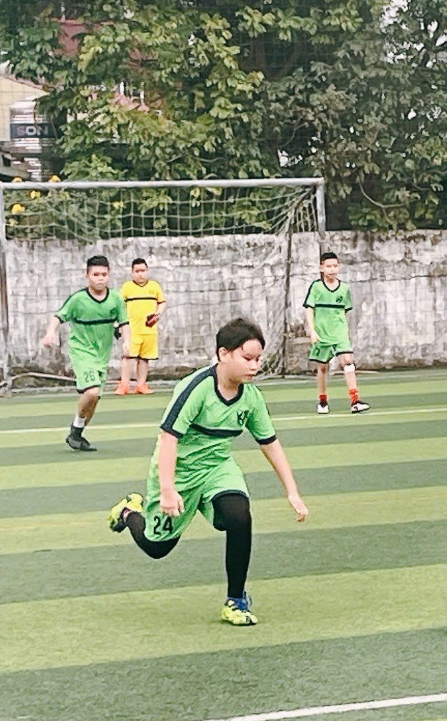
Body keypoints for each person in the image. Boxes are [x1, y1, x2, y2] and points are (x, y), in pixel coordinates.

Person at [108, 317, 308, 626]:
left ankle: (236, 600)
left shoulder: (251, 398)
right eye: (248, 358)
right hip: (180, 472)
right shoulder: (196, 389)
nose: (255, 366)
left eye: (258, 359)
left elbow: (270, 443)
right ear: (223, 354)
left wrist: (292, 490)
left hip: (217, 467)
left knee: (239, 516)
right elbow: (168, 438)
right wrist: (167, 489)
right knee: (156, 547)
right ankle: (127, 512)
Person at [42, 254, 129, 451]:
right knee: (92, 392)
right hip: (82, 352)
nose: (100, 278)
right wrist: (50, 333)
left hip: (102, 355)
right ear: (87, 275)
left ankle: (76, 433)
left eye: (104, 274)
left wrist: (127, 341)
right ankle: (76, 430)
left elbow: (124, 322)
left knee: (94, 398)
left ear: (109, 275)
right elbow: (59, 316)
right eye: (96, 274)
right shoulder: (78, 299)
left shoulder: (115, 299)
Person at [304, 251, 370, 414]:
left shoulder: (344, 289)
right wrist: (312, 330)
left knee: (348, 360)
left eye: (335, 266)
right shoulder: (316, 287)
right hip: (322, 334)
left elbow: (345, 311)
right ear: (322, 268)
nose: (332, 269)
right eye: (328, 266)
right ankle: (323, 401)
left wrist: (342, 329)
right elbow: (309, 310)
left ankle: (355, 401)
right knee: (323, 367)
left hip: (339, 333)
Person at [116, 257, 166, 395]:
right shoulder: (127, 287)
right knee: (128, 356)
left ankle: (141, 385)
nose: (140, 274)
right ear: (132, 272)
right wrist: (119, 324)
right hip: (132, 330)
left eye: (143, 270)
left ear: (147, 271)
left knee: (144, 358)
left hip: (149, 330)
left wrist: (157, 314)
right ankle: (124, 384)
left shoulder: (154, 286)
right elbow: (119, 306)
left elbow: (162, 302)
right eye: (137, 271)